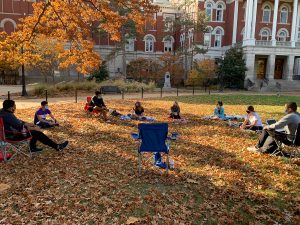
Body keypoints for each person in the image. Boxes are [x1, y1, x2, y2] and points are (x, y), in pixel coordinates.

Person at [0, 100, 69, 153]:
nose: (15, 107)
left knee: (34, 131)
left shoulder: (3, 112)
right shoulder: (9, 115)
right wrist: (34, 128)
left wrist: (31, 124)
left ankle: (32, 148)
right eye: (14, 106)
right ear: (10, 108)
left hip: (4, 135)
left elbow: (19, 122)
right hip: (12, 136)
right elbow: (21, 127)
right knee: (36, 132)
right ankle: (57, 146)